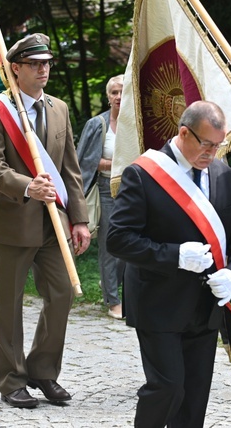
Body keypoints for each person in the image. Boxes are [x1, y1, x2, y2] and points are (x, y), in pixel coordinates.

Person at [107, 100, 231, 428]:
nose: (212, 153)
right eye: (206, 144)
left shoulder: (223, 174)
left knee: (194, 397)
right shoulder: (144, 174)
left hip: (205, 306)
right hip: (158, 302)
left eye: (220, 145)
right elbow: (118, 239)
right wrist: (174, 256)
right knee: (167, 388)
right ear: (184, 133)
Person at [0, 33, 90, 409]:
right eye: (34, 64)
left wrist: (79, 219)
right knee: (6, 306)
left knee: (60, 295)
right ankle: (11, 380)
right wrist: (28, 187)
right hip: (12, 222)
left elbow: (70, 169)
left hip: (53, 222)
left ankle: (43, 371)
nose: (43, 70)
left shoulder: (57, 108)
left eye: (46, 64)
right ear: (16, 68)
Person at [76, 74, 124, 319]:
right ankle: (113, 301)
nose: (118, 97)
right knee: (109, 247)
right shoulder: (98, 124)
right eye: (114, 92)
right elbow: (84, 160)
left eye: (123, 92)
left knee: (131, 247)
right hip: (106, 191)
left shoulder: (136, 124)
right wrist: (116, 164)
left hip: (132, 193)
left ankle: (125, 295)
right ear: (108, 97)